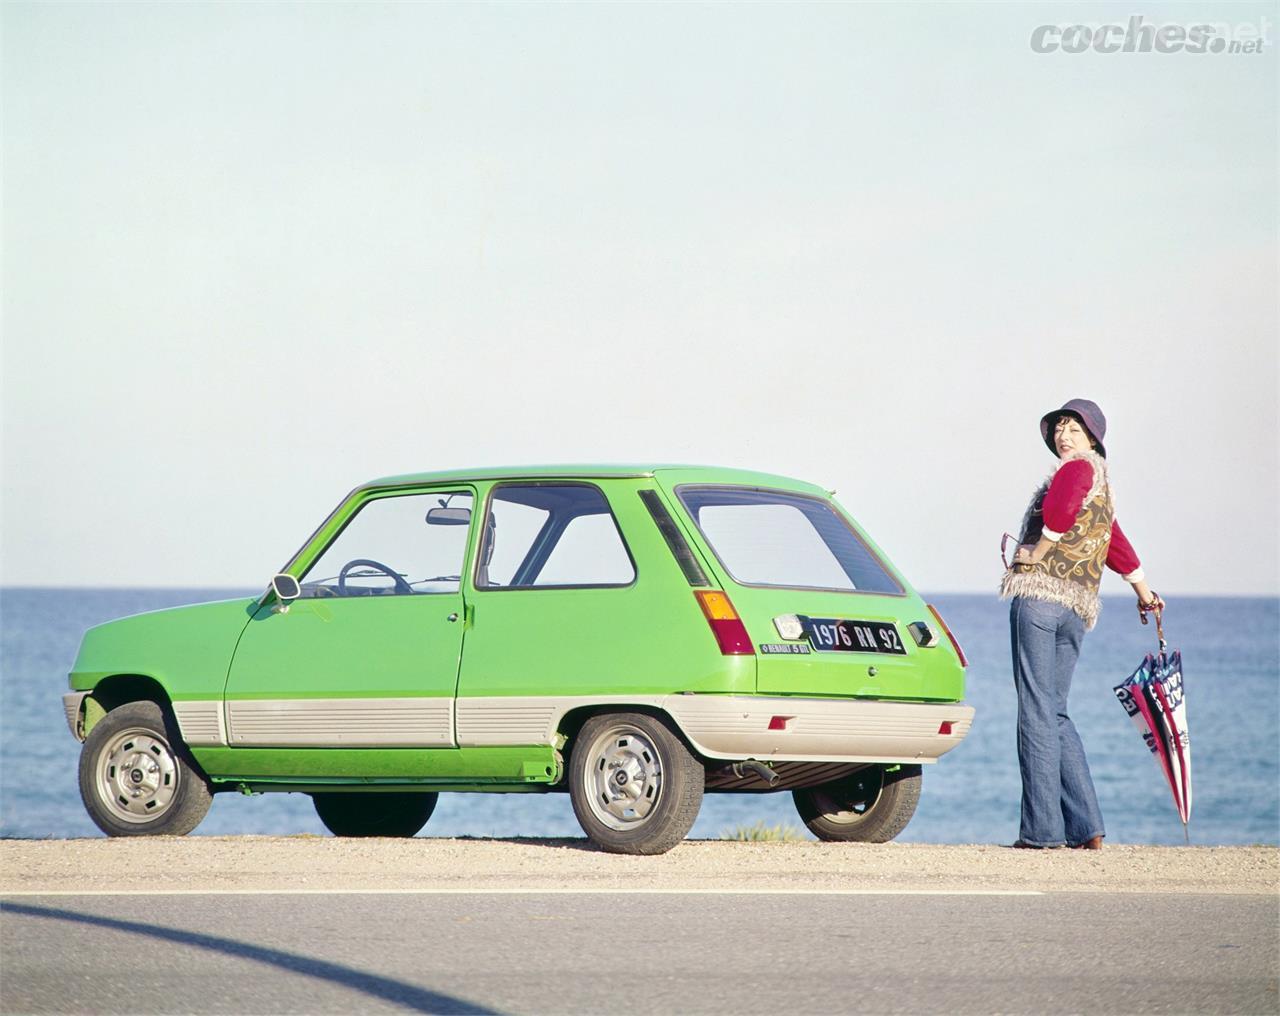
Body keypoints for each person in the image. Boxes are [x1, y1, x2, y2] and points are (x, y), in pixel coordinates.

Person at [1000, 398, 1163, 850]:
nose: (1063, 435)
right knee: (1055, 712)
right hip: (1076, 610)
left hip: (1040, 600)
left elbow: (1060, 512)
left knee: (1035, 711)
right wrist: (1144, 592)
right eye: (1059, 429)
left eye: (1073, 428)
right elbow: (1115, 544)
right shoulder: (1102, 485)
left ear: (1093, 438)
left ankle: (1041, 834)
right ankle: (1086, 828)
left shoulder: (1075, 471)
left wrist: (1036, 551)